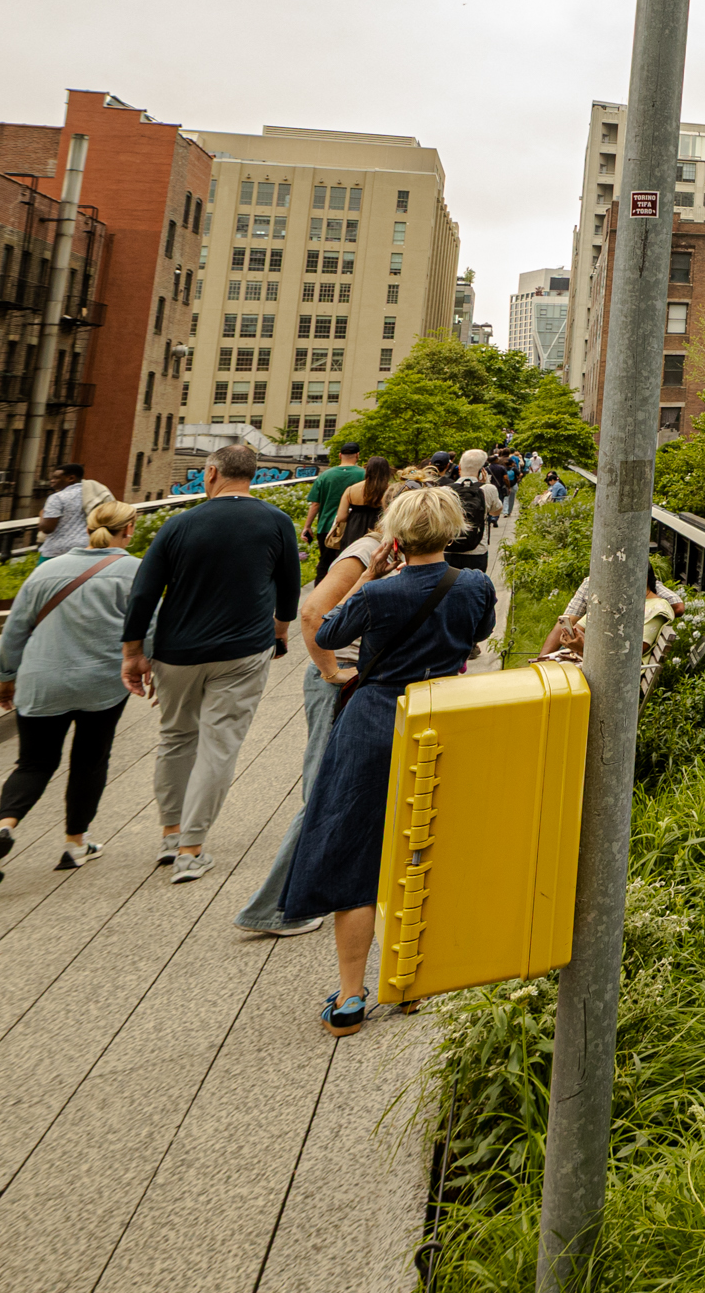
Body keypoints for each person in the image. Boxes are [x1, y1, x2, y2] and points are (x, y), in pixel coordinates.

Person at [278, 485, 493, 1033]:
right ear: (453, 530)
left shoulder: (378, 593)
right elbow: (481, 632)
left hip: (373, 722)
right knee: (425, 847)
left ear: (395, 536)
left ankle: (351, 998)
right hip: (440, 718)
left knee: (355, 852)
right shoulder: (475, 584)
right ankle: (414, 982)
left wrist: (370, 576)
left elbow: (327, 629)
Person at [233, 483, 421, 938]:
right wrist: (331, 670)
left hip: (362, 680)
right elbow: (313, 612)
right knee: (322, 792)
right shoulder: (365, 552)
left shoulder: (398, 552)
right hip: (342, 682)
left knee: (332, 790)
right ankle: (275, 909)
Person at [119, 442, 301, 886]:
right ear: (252, 475)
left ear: (212, 473)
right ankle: (192, 850)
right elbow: (289, 589)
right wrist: (279, 633)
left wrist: (133, 653)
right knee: (219, 745)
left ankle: (170, 834)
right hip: (242, 652)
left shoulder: (179, 524)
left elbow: (143, 593)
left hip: (177, 653)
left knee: (176, 738)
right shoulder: (276, 521)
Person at [0, 495, 145, 886]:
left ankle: (4, 827)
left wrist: (5, 677)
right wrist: (147, 666)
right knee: (90, 761)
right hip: (101, 683)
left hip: (42, 680)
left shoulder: (47, 570)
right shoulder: (136, 571)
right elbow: (147, 627)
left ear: (88, 528)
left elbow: (14, 630)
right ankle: (74, 843)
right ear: (129, 529)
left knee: (33, 763)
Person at [305, 443, 366, 556]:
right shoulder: (365, 475)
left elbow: (315, 505)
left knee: (326, 563)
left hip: (327, 528)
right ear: (357, 455)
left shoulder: (324, 475)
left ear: (340, 455)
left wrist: (307, 526)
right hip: (354, 528)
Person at [451, 448, 499, 569]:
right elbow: (496, 511)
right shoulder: (488, 489)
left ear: (459, 467)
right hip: (477, 549)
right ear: (483, 470)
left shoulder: (444, 490)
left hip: (449, 548)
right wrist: (486, 482)